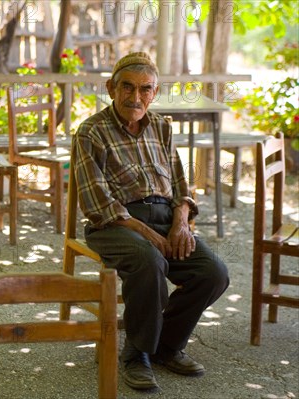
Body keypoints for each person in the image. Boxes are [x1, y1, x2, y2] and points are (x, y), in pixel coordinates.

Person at [73, 52, 229, 391]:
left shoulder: (161, 126)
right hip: (115, 225)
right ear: (110, 88)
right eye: (127, 88)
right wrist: (146, 233)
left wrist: (181, 222)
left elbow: (180, 185)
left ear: (154, 93)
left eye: (145, 89)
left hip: (165, 218)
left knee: (213, 273)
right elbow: (97, 203)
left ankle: (165, 346)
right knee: (149, 260)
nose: (136, 97)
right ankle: (136, 354)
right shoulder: (91, 132)